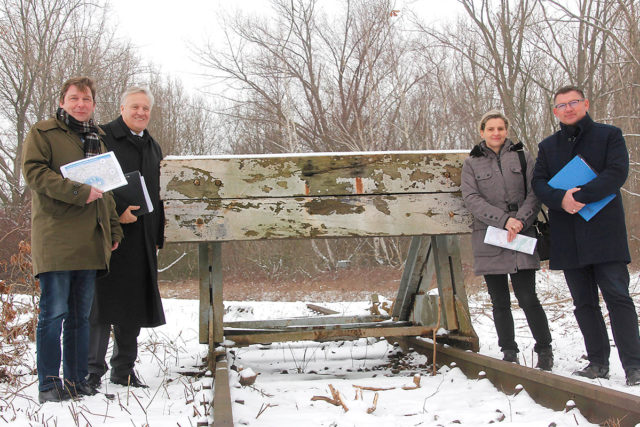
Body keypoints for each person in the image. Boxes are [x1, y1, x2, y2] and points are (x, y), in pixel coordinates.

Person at [22, 77, 123, 403]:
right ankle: (50, 384)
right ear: (63, 101)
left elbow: (104, 191)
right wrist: (79, 192)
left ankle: (78, 381)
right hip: (57, 239)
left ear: (93, 104)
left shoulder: (98, 140)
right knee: (54, 315)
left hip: (90, 242)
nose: (81, 104)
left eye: (87, 99)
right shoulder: (43, 133)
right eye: (74, 98)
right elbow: (35, 173)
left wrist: (114, 229)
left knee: (81, 317)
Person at [532, 86, 640, 386]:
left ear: (586, 104)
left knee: (618, 298)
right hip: (568, 236)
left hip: (605, 232)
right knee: (583, 303)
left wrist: (580, 195)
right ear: (555, 111)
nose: (568, 109)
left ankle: (634, 365)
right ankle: (597, 362)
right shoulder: (548, 146)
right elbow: (539, 183)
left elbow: (617, 172)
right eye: (561, 105)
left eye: (573, 103)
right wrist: (560, 200)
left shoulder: (609, 135)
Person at [461, 110, 553, 370]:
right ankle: (509, 350)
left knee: (528, 297)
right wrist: (503, 220)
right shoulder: (471, 163)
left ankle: (544, 349)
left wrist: (520, 220)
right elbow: (471, 198)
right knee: (499, 300)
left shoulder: (523, 157)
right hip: (489, 236)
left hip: (521, 235)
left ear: (506, 130)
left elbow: (535, 192)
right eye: (490, 129)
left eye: (500, 128)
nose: (496, 133)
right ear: (482, 132)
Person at [87, 87, 166, 389]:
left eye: (145, 108)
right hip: (109, 235)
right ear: (122, 108)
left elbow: (157, 195)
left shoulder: (152, 146)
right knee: (101, 305)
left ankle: (124, 370)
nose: (141, 113)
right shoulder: (102, 138)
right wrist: (116, 212)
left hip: (142, 237)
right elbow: (90, 182)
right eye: (135, 107)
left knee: (133, 304)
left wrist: (157, 235)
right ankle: (92, 372)